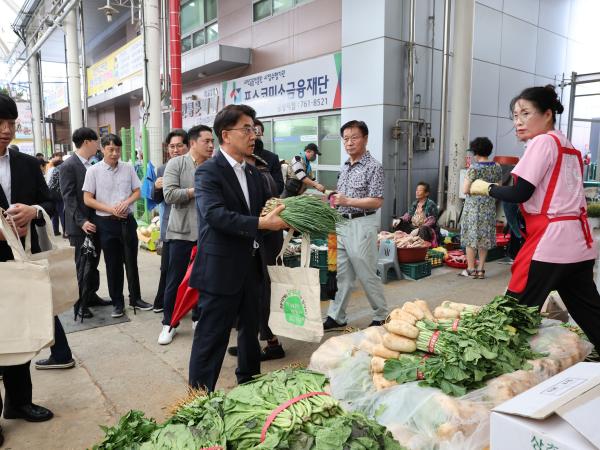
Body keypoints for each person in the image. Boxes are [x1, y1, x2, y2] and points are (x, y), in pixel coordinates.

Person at [470, 85, 600, 350]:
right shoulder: (568, 146)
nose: (518, 122)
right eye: (515, 116)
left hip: (550, 241)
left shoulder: (541, 142)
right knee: (589, 310)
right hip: (579, 243)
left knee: (515, 311)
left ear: (548, 114)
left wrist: (488, 188)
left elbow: (520, 192)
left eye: (525, 113)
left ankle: (497, 365)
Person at [188, 104, 288, 392]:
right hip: (220, 270)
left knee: (250, 333)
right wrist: (262, 223)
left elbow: (268, 211)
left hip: (252, 267)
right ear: (226, 135)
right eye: (246, 129)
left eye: (253, 128)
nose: (252, 134)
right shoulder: (208, 172)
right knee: (211, 337)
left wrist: (291, 216)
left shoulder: (257, 174)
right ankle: (199, 398)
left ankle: (249, 384)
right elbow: (215, 214)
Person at [0, 94, 54, 446]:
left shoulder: (24, 164)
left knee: (17, 334)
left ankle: (19, 403)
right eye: (0, 124)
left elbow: (49, 200)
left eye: (12, 124)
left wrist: (33, 211)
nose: (6, 131)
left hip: (17, 262)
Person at [323, 120, 389, 330]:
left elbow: (377, 201)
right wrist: (334, 198)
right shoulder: (345, 167)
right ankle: (336, 316)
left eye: (354, 138)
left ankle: (382, 314)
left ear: (365, 139)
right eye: (346, 139)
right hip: (341, 224)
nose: (349, 143)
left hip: (361, 223)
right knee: (342, 274)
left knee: (366, 272)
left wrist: (347, 201)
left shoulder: (373, 167)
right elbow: (342, 196)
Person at [83, 133, 153, 318]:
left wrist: (127, 201)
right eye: (110, 149)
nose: (114, 153)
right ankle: (117, 303)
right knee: (113, 264)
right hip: (106, 223)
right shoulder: (93, 171)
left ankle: (136, 298)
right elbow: (88, 199)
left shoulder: (128, 168)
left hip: (127, 221)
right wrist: (110, 209)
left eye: (117, 150)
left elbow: (137, 191)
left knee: (131, 260)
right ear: (103, 149)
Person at [158, 125, 214, 345]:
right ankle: (169, 323)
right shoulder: (176, 164)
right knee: (176, 280)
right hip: (180, 232)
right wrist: (196, 190)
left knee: (204, 279)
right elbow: (169, 194)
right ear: (193, 143)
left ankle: (199, 318)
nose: (211, 146)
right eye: (206, 141)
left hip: (208, 232)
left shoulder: (213, 166)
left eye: (212, 142)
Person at [227, 151, 286, 361]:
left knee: (262, 293)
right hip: (260, 241)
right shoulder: (255, 174)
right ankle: (250, 343)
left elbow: (264, 215)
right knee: (253, 295)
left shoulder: (258, 176)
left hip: (265, 243)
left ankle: (272, 343)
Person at [54, 127, 111, 321]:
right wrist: (82, 221)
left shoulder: (93, 164)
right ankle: (80, 304)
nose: (98, 145)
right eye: (96, 141)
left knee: (93, 263)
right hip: (80, 226)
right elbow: (68, 198)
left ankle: (91, 295)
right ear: (87, 142)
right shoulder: (68, 166)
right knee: (82, 265)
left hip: (96, 222)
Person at [151, 129, 188, 313]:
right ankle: (164, 303)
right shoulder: (162, 169)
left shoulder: (195, 167)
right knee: (167, 269)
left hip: (191, 227)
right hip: (169, 225)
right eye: (172, 147)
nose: (175, 150)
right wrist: (156, 188)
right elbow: (156, 199)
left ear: (187, 146)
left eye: (179, 146)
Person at [461, 137, 502, 279]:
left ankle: (471, 269)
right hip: (489, 207)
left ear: (475, 151)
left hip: (473, 209)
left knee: (470, 238)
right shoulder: (496, 167)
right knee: (484, 239)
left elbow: (465, 189)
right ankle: (481, 270)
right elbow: (499, 187)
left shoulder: (474, 168)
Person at [393, 181, 439, 245]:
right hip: (414, 228)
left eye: (420, 190)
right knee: (399, 223)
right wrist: (400, 220)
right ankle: (400, 242)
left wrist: (419, 229)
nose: (417, 192)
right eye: (416, 190)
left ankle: (423, 246)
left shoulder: (431, 204)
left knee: (423, 229)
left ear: (426, 193)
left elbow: (432, 221)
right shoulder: (415, 203)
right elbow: (408, 215)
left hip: (425, 231)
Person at [253, 119, 284, 195]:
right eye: (249, 131)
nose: (253, 136)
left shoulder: (272, 158)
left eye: (257, 132)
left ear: (262, 134)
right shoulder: (237, 157)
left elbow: (279, 187)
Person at [46, 152, 66, 237]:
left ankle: (55, 231)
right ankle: (65, 232)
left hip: (51, 193)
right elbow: (63, 183)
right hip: (58, 194)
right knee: (62, 213)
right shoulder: (62, 169)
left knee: (55, 213)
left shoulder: (53, 169)